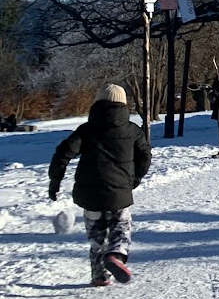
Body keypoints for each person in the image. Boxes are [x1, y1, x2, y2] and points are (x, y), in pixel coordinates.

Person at [48, 83, 150, 286]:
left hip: (89, 194)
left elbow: (63, 152)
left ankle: (99, 276)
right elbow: (145, 157)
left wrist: (55, 180)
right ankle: (116, 255)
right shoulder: (133, 131)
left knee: (96, 236)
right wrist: (135, 179)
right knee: (121, 229)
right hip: (119, 192)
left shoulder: (86, 130)